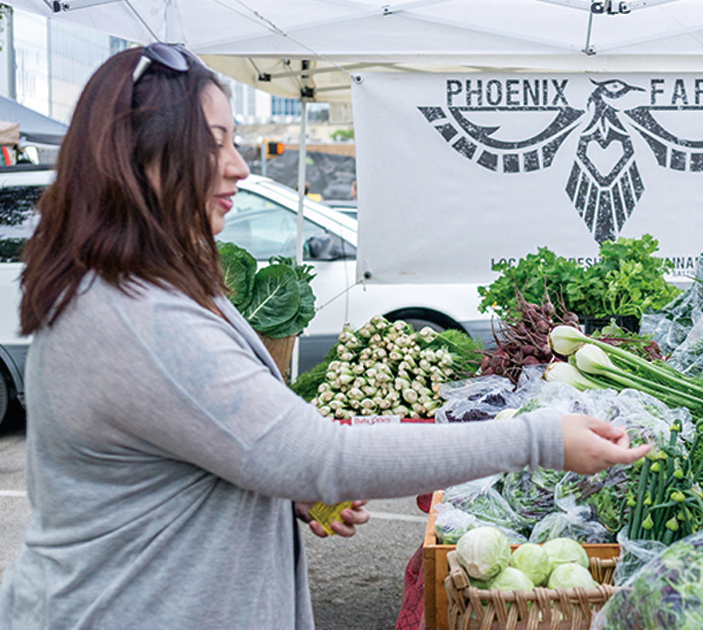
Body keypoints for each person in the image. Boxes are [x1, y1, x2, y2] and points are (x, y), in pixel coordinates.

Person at [0, 44, 650, 629]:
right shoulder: (135, 317)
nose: (238, 168)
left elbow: (203, 464)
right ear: (142, 157)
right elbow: (316, 454)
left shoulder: (141, 290)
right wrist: (538, 439)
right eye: (216, 142)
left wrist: (279, 487)